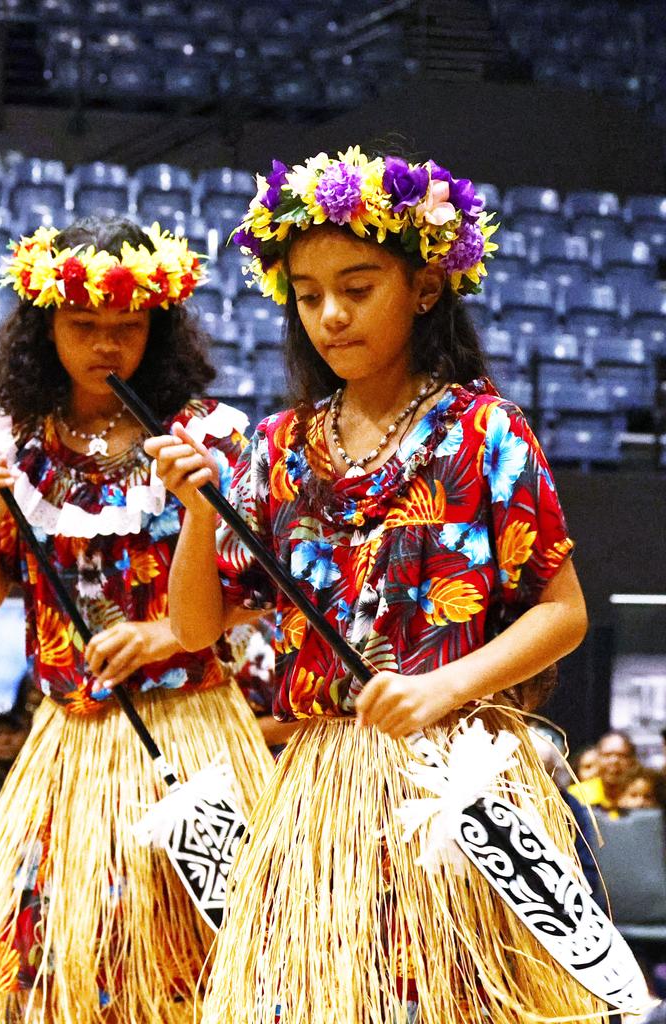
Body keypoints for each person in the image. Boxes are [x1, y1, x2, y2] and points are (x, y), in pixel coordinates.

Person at [147, 148, 609, 1023]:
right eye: (310, 293)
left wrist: (442, 685)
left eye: (358, 288)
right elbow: (199, 628)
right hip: (319, 793)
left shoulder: (484, 432)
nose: (330, 314)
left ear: (425, 288)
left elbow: (564, 611)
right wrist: (199, 516)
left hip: (450, 784)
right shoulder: (277, 447)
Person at [0, 216, 274, 1023]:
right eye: (83, 327)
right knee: (51, 965)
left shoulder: (205, 437)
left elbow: (258, 587)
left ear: (158, 328)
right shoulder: (16, 442)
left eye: (128, 328)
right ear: (45, 328)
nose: (107, 347)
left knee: (195, 962)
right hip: (64, 742)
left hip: (190, 728)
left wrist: (166, 633)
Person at [569, 729, 639, 818]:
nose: (614, 761)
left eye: (621, 755)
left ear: (633, 761)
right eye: (607, 755)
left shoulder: (642, 796)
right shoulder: (576, 795)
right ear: (596, 759)